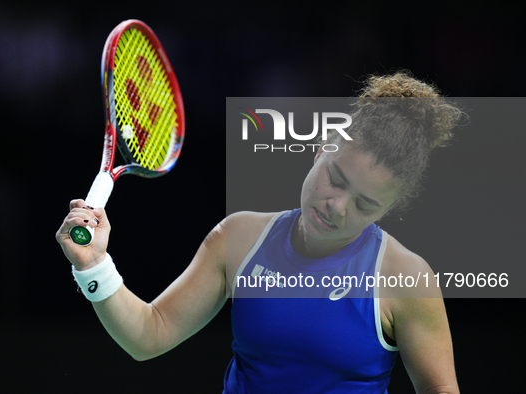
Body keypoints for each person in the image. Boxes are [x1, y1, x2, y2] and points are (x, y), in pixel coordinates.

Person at [56, 71, 462, 393]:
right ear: (321, 148)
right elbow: (150, 334)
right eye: (336, 179)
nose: (337, 206)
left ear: (390, 208)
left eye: (365, 204)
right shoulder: (239, 239)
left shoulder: (406, 278)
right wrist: (94, 267)